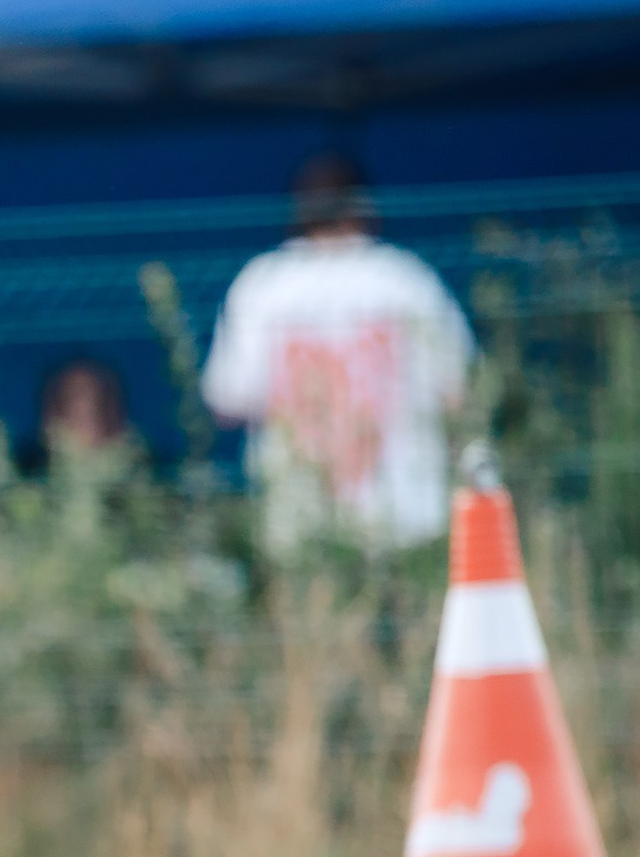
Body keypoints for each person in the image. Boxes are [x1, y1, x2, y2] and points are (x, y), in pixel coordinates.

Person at [202, 155, 475, 557]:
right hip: (402, 512)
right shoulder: (404, 279)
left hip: (298, 519)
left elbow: (226, 400)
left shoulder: (263, 285)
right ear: (366, 206)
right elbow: (460, 393)